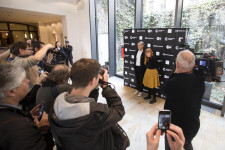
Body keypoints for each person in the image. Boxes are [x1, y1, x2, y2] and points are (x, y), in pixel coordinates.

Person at [49, 58, 129, 150]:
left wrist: (94, 87)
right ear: (92, 81)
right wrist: (106, 87)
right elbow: (119, 110)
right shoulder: (96, 113)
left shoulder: (57, 102)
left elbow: (85, 102)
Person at [0, 64, 54, 150]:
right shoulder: (18, 129)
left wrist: (27, 116)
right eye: (24, 81)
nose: (28, 81)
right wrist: (44, 129)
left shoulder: (10, 114)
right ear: (11, 91)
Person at [161, 50, 205, 150]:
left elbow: (164, 90)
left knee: (173, 145)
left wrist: (175, 72)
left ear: (177, 64)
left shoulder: (173, 83)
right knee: (186, 142)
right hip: (192, 126)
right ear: (194, 65)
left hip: (175, 129)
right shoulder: (200, 80)